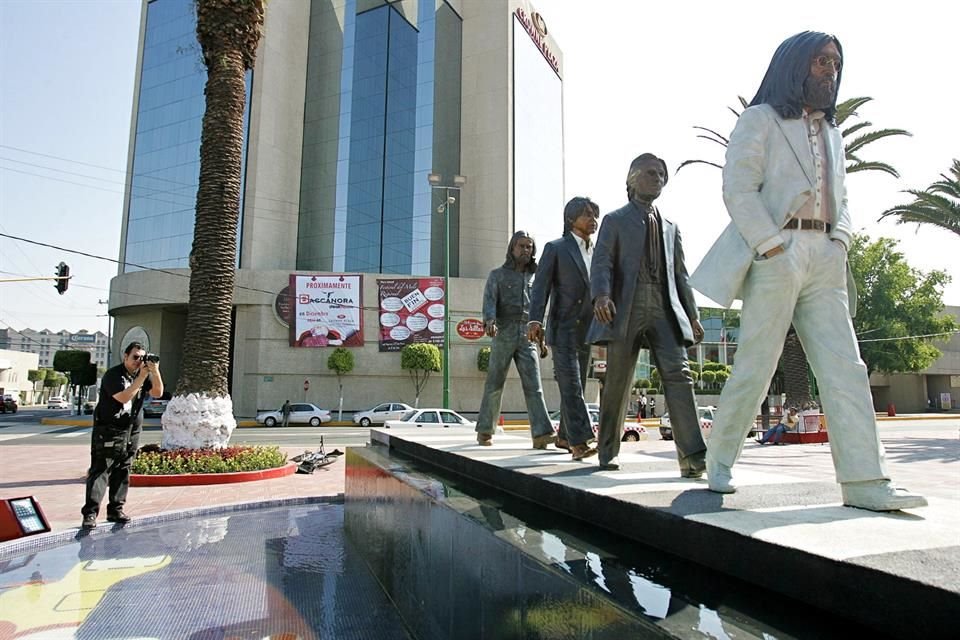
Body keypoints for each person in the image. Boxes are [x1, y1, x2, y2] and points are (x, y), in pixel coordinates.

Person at [690, 31, 926, 511]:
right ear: (795, 65)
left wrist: (842, 240)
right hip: (778, 251)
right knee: (757, 364)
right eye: (821, 61)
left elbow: (843, 197)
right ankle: (719, 459)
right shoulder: (760, 120)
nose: (830, 71)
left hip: (826, 254)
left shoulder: (833, 132)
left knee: (848, 368)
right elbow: (738, 187)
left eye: (835, 63)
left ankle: (865, 481)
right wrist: (771, 245)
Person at [588, 153, 707, 474]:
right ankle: (607, 451)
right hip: (625, 305)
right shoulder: (615, 220)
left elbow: (681, 275)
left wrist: (692, 315)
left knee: (680, 375)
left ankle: (693, 455)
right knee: (617, 379)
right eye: (651, 173)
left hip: (665, 307)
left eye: (662, 175)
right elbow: (602, 262)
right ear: (632, 179)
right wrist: (601, 295)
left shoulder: (671, 228)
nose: (658, 178)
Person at [528, 197, 601, 461]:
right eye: (587, 214)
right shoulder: (556, 248)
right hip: (562, 327)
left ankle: (563, 437)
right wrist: (534, 320)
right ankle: (580, 442)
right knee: (571, 386)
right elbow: (540, 287)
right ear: (571, 219)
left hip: (589, 329)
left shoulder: (600, 250)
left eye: (595, 214)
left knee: (577, 385)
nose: (593, 219)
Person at [475, 231, 556, 449]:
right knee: (494, 383)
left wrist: (541, 338)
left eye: (529, 247)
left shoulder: (536, 277)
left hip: (527, 333)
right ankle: (484, 430)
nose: (525, 250)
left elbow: (540, 307)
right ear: (512, 248)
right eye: (521, 246)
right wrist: (489, 321)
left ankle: (541, 434)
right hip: (503, 330)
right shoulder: (497, 275)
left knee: (534, 386)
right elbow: (489, 300)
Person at [81, 342, 164, 529]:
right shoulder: (113, 375)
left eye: (142, 358)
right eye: (135, 357)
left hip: (131, 430)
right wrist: (142, 376)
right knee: (101, 469)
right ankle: (90, 513)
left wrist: (154, 371)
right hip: (109, 429)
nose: (138, 361)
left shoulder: (142, 375)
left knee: (123, 468)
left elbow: (158, 392)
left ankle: (116, 510)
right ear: (125, 357)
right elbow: (124, 397)